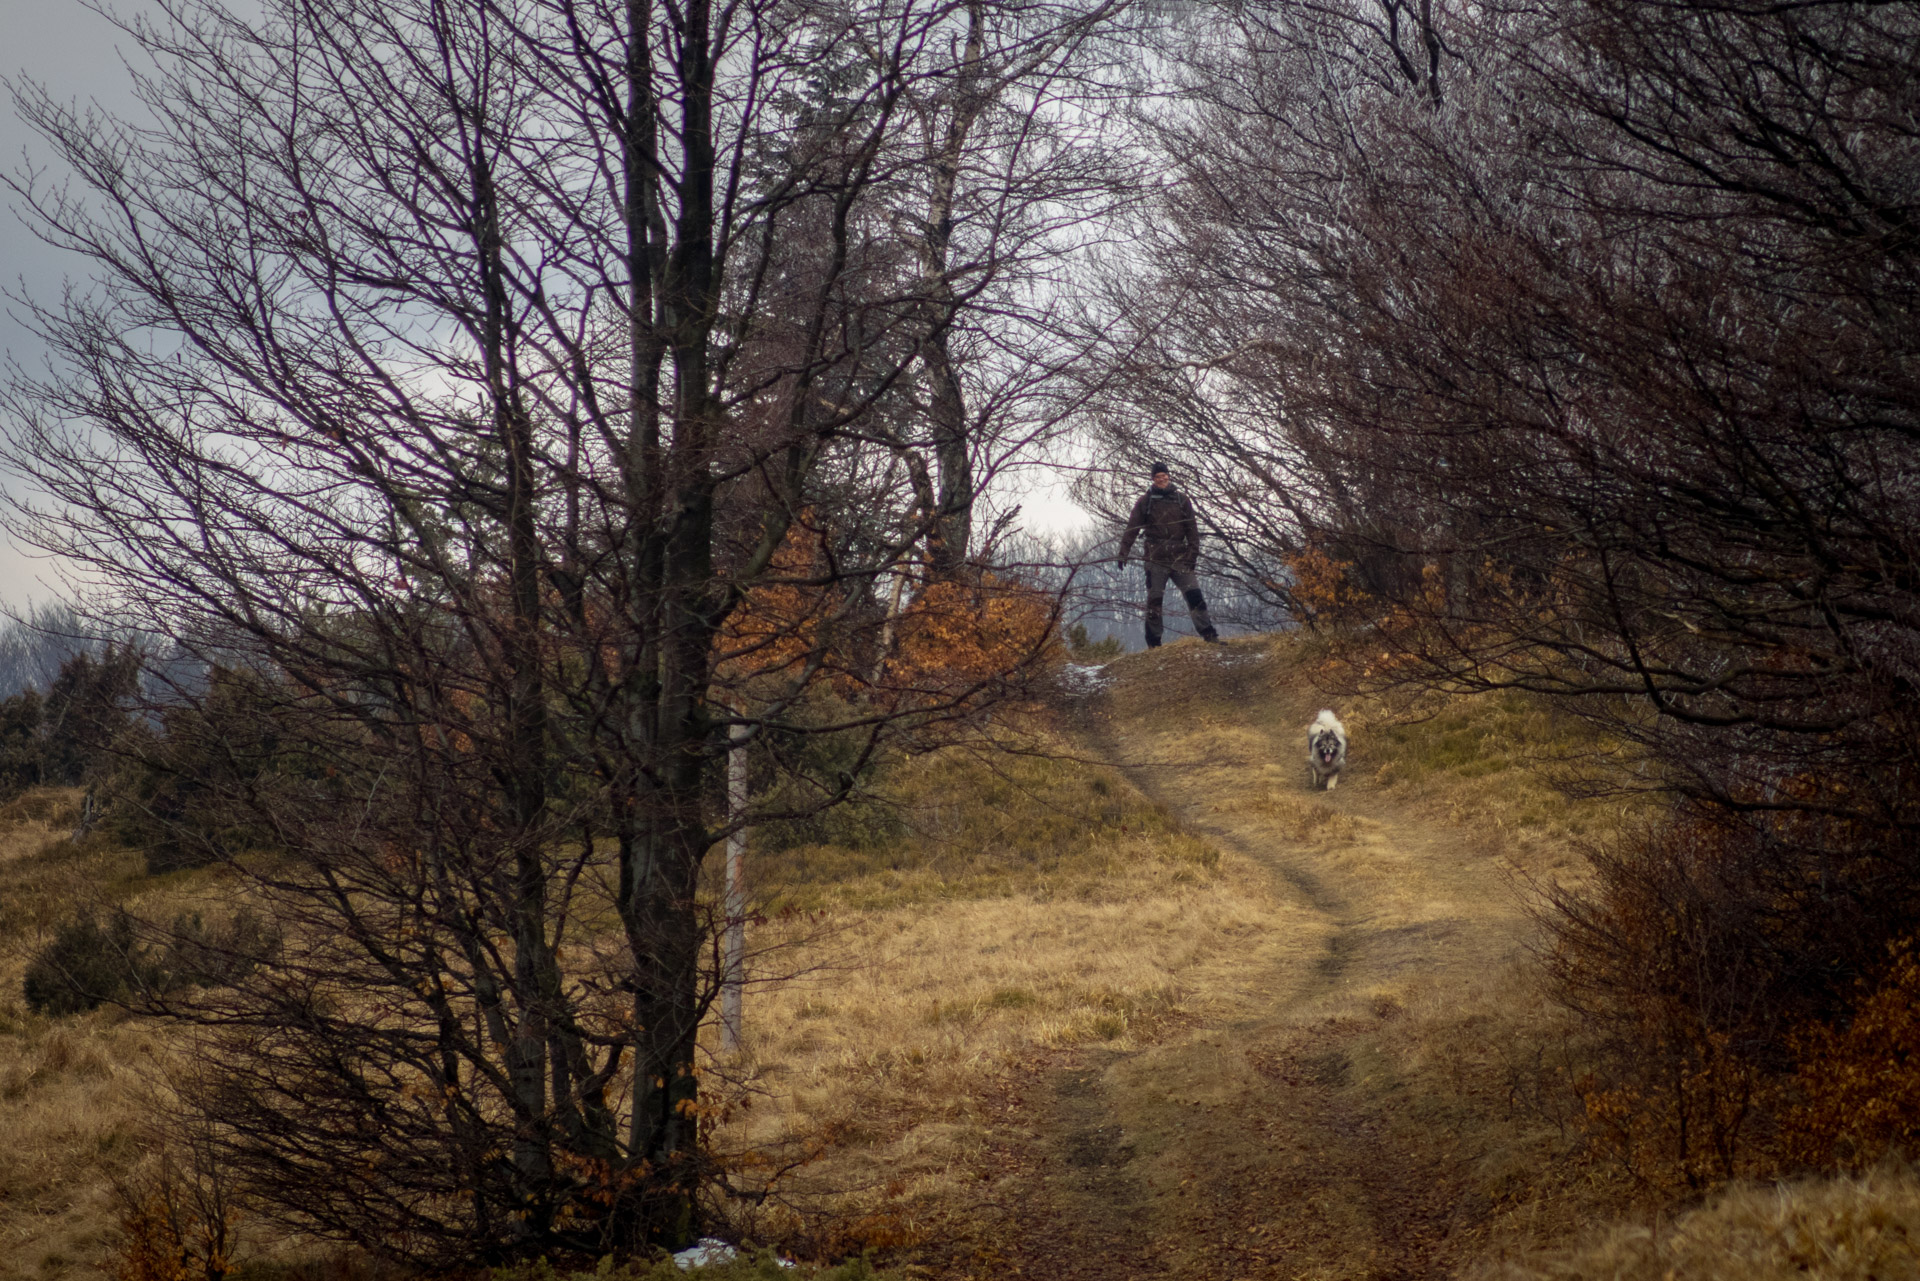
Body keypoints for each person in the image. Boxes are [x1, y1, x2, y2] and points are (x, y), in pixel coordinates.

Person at [1117, 461, 1220, 647]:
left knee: (1195, 596)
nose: (1162, 479)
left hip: (1180, 559)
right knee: (1154, 603)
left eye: (1164, 475)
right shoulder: (1145, 501)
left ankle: (1210, 635)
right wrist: (1123, 552)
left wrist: (1192, 555)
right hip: (1154, 559)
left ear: (1169, 476)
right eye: (1158, 476)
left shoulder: (1182, 500)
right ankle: (1154, 644)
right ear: (1153, 479)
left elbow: (1192, 530)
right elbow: (1132, 527)